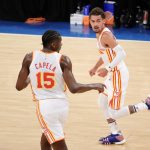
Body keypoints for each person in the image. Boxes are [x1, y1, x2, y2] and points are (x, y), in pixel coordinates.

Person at [16, 30, 105, 150]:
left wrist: (30, 78)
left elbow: (19, 86)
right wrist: (95, 85)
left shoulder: (29, 58)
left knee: (58, 145)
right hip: (62, 106)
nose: (61, 44)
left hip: (45, 108)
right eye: (60, 42)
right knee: (46, 139)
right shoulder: (63, 60)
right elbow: (74, 88)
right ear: (53, 44)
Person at [89, 7, 150, 145]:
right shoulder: (98, 34)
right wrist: (95, 67)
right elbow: (105, 54)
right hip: (112, 74)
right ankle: (116, 134)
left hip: (118, 75)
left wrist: (108, 68)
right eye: (93, 21)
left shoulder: (105, 35)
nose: (95, 24)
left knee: (114, 112)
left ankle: (145, 105)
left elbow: (122, 53)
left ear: (104, 21)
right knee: (102, 102)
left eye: (98, 21)